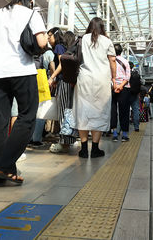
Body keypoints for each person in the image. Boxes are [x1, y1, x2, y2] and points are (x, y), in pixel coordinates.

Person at [0, 0, 47, 185]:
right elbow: (42, 42)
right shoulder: (31, 14)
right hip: (22, 70)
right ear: (29, 2)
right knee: (27, 117)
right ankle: (3, 165)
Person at [74, 17, 117, 158]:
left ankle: (84, 149)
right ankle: (96, 149)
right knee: (99, 111)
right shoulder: (107, 41)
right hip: (102, 80)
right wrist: (114, 79)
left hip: (84, 79)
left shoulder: (82, 39)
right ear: (102, 27)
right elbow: (113, 61)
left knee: (83, 112)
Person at [47, 28, 77, 154]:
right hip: (71, 82)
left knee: (63, 111)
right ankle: (68, 141)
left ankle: (64, 142)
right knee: (69, 111)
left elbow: (61, 64)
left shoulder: (59, 47)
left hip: (63, 82)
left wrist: (52, 77)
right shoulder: (70, 49)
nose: (48, 39)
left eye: (49, 36)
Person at [110, 44, 131, 141]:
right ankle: (125, 135)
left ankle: (114, 134)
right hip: (124, 89)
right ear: (121, 51)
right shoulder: (126, 62)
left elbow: (109, 76)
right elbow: (127, 77)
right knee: (124, 111)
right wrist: (121, 86)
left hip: (113, 88)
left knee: (113, 111)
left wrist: (115, 84)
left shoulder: (110, 62)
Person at [128, 61, 143, 131]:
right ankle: (136, 127)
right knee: (136, 111)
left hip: (127, 94)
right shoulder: (136, 74)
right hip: (135, 95)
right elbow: (141, 84)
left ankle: (121, 129)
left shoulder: (125, 73)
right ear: (132, 67)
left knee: (124, 111)